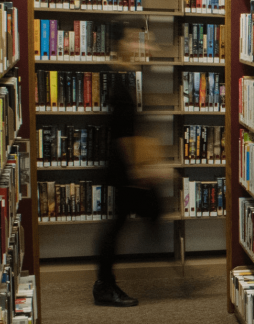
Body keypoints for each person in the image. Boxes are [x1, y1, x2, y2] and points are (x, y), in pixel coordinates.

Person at [92, 22, 172, 307]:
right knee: (124, 222)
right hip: (125, 166)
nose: (144, 46)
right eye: (137, 41)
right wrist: (139, 170)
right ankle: (104, 284)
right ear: (121, 44)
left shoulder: (124, 76)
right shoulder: (117, 81)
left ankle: (107, 282)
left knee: (134, 217)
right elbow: (123, 134)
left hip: (127, 164)